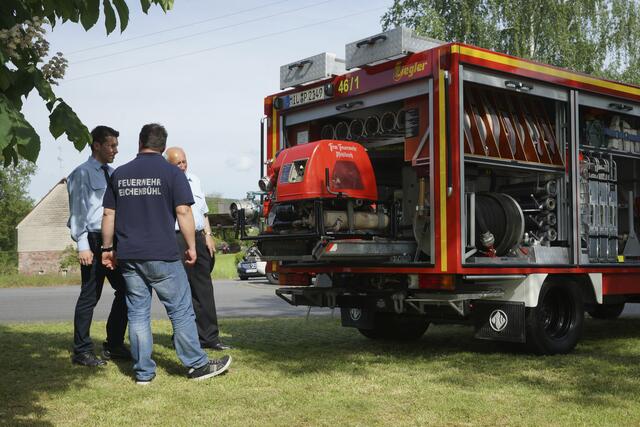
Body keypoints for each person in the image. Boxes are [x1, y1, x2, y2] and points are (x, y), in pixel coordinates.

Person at [101, 123, 231, 384]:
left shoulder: (120, 174)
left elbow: (108, 214)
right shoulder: (172, 173)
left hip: (130, 256)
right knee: (180, 311)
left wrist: (106, 249)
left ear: (140, 142)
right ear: (162, 147)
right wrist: (192, 246)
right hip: (163, 254)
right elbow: (184, 212)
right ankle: (197, 365)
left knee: (138, 313)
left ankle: (143, 373)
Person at [67, 125, 130, 367]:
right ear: (97, 145)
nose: (115, 150)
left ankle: (113, 345)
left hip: (113, 241)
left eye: (116, 145)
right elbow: (77, 212)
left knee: (127, 290)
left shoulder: (113, 174)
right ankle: (82, 351)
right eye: (111, 145)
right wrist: (82, 245)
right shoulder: (81, 174)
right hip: (92, 241)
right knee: (90, 296)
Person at [165, 147, 230, 350]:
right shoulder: (165, 183)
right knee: (181, 290)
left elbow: (203, 212)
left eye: (184, 161)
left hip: (199, 236)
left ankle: (210, 337)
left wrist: (208, 235)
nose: (182, 166)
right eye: (178, 163)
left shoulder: (195, 180)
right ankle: (182, 338)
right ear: (169, 165)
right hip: (177, 238)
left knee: (204, 288)